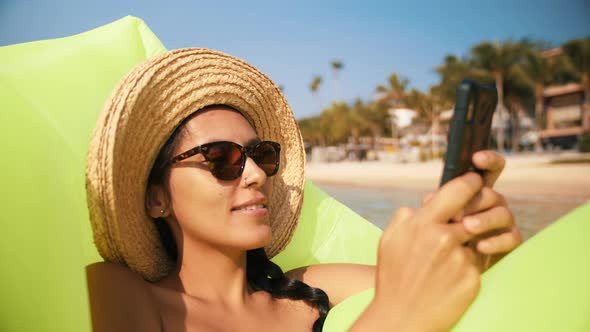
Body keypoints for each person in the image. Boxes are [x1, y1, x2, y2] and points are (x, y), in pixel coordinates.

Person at [85, 48, 521, 332]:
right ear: (155, 197)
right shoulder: (124, 290)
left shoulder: (310, 288)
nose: (255, 174)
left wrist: (478, 249)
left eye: (262, 155)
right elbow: (407, 303)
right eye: (221, 158)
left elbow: (434, 283)